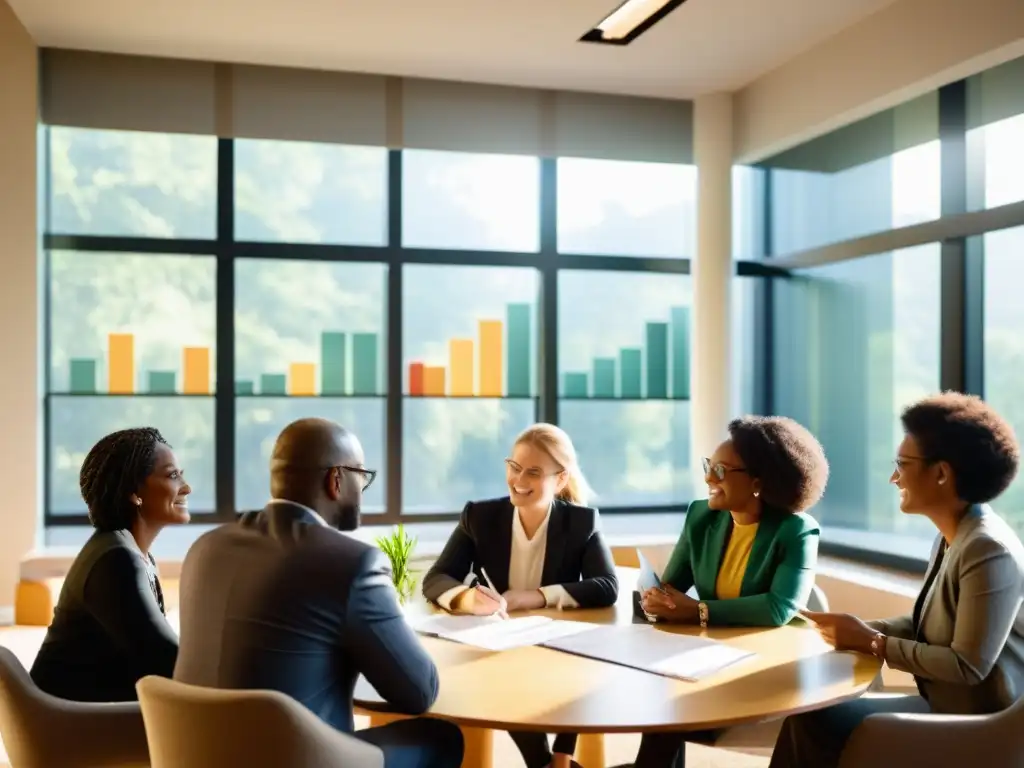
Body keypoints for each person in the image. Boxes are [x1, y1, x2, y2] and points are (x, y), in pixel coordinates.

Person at [174, 417, 464, 768]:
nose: (363, 491)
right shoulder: (352, 563)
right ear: (336, 480)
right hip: (294, 759)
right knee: (440, 737)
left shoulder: (207, 548)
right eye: (362, 477)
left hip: (195, 754)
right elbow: (418, 692)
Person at [769, 392, 1024, 768]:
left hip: (979, 726)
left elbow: (968, 666)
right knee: (810, 715)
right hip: (946, 704)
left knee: (818, 722)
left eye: (902, 464)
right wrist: (857, 629)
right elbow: (928, 627)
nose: (893, 477)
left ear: (941, 474)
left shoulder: (987, 549)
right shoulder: (954, 535)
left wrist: (872, 642)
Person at [621, 415, 829, 768]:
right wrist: (659, 597)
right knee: (659, 688)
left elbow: (778, 608)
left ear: (758, 483)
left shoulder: (796, 531)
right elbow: (675, 584)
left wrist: (699, 611)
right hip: (704, 662)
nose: (707, 478)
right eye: (708, 466)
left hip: (764, 671)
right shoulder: (702, 515)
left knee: (671, 698)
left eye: (721, 471)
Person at [422, 423, 618, 768]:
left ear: (560, 479)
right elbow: (437, 578)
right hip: (500, 648)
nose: (519, 480)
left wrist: (536, 596)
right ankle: (547, 761)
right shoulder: (480, 517)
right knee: (499, 680)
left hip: (559, 653)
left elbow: (606, 586)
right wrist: (469, 600)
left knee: (578, 668)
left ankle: (556, 757)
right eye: (513, 467)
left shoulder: (581, 522)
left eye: (533, 472)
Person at [30, 427, 187, 702]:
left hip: (86, 713)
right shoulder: (116, 560)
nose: (186, 487)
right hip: (63, 726)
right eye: (172, 475)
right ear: (134, 492)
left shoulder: (132, 553)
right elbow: (167, 660)